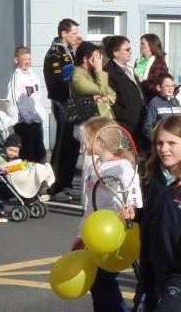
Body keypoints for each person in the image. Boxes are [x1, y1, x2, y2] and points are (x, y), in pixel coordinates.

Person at [124, 115, 181, 311]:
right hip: (154, 271)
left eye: (171, 143)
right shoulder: (156, 180)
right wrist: (138, 214)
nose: (164, 149)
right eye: (160, 143)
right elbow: (160, 216)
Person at [71, 117, 142, 312]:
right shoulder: (92, 168)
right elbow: (89, 209)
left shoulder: (124, 168)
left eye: (87, 138)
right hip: (95, 235)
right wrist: (80, 236)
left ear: (100, 141)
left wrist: (130, 219)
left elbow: (135, 202)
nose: (83, 143)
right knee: (97, 282)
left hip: (117, 236)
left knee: (103, 279)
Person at [43, 18, 81, 202]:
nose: (76, 37)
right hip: (62, 104)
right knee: (62, 144)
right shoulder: (54, 53)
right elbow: (58, 81)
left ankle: (66, 182)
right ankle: (54, 186)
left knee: (73, 144)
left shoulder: (70, 51)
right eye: (74, 33)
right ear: (63, 33)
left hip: (74, 104)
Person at [6, 46, 46, 164]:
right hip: (24, 123)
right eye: (24, 59)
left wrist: (40, 114)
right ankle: (27, 179)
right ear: (17, 60)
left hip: (36, 121)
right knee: (27, 154)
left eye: (29, 59)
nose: (27, 62)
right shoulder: (16, 77)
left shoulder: (33, 75)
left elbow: (37, 97)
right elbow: (13, 100)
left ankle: (41, 178)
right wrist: (24, 117)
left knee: (39, 152)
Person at [104, 36, 146, 146]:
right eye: (127, 50)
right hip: (126, 125)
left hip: (139, 122)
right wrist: (124, 117)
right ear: (115, 52)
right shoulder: (109, 72)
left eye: (130, 49)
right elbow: (111, 99)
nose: (131, 52)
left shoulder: (129, 68)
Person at [71, 41, 116, 119]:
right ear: (85, 59)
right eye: (96, 57)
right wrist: (99, 70)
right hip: (90, 122)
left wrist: (106, 99)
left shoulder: (93, 73)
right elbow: (102, 91)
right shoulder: (77, 78)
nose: (98, 61)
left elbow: (112, 93)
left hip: (104, 118)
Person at [142, 73, 181, 145]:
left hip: (175, 142)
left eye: (172, 86)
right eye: (167, 86)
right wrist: (156, 142)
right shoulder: (155, 103)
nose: (170, 88)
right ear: (159, 88)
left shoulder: (176, 102)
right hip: (162, 143)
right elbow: (147, 127)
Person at [135, 33, 168, 101]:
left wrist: (143, 82)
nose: (139, 46)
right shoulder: (139, 61)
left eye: (142, 43)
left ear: (151, 45)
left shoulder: (159, 62)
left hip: (151, 100)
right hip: (139, 99)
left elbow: (158, 85)